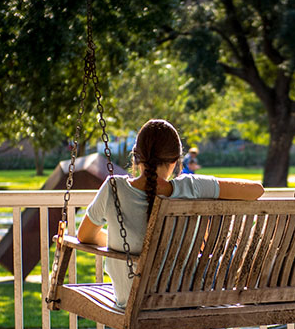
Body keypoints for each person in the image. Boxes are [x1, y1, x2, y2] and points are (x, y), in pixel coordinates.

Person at [77, 119, 264, 307]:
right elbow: (256, 190)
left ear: (136, 158)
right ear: (175, 161)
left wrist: (120, 244)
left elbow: (84, 236)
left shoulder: (114, 188)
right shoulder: (193, 186)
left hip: (132, 300)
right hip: (183, 297)